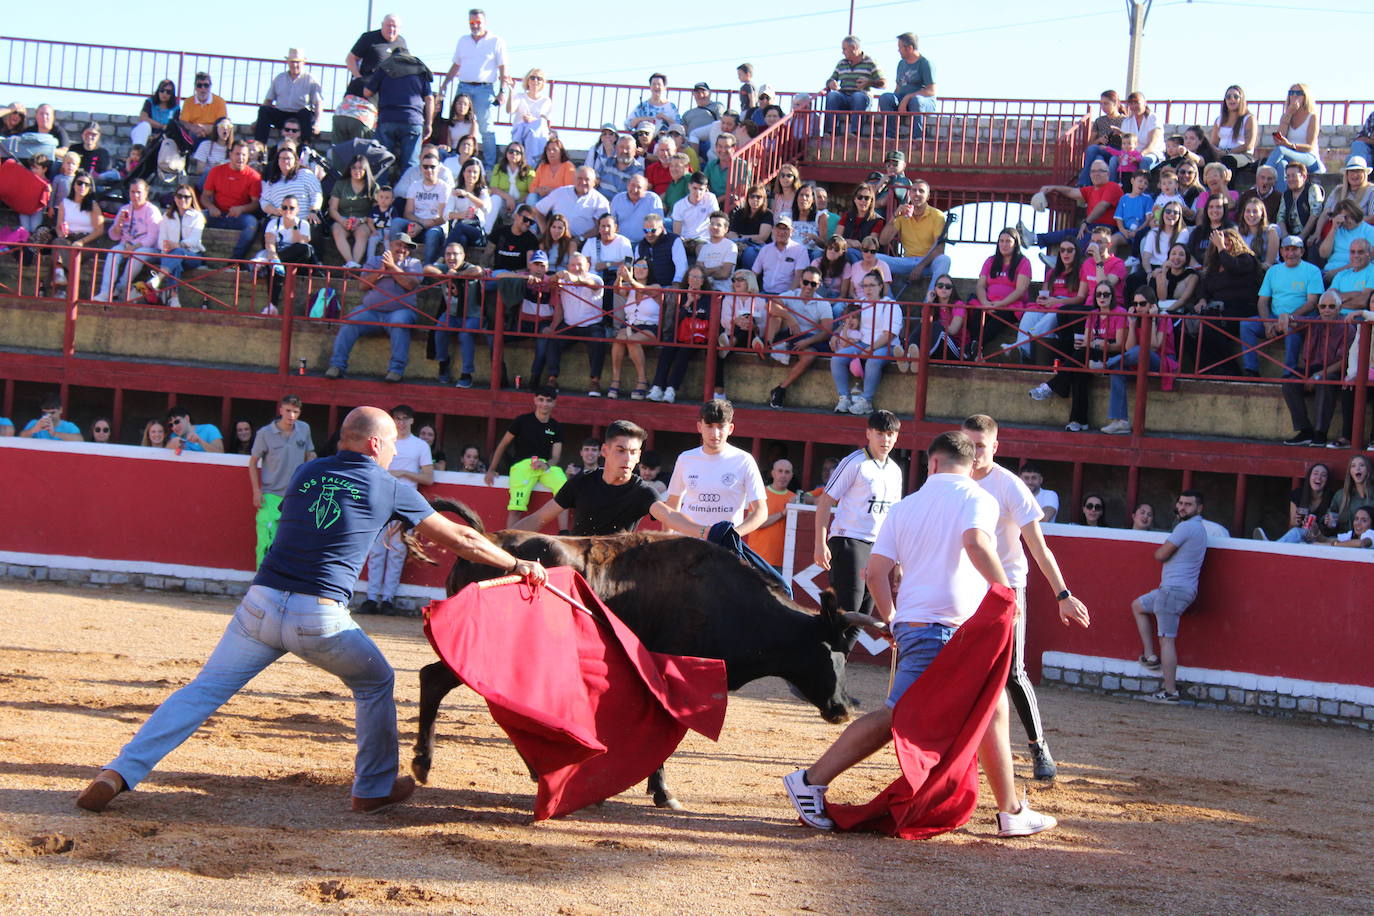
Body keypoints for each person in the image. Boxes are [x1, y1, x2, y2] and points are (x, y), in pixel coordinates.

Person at [75, 406, 547, 816]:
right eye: (391, 449)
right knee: (376, 680)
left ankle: (120, 770)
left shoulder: (308, 471)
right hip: (320, 618)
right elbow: (462, 537)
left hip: (259, 605)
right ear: (377, 443)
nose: (393, 457)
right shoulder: (389, 485)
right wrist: (516, 562)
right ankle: (373, 789)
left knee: (202, 691)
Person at [784, 430, 1056, 837]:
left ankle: (1011, 810)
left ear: (932, 463)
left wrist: (893, 619)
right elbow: (977, 544)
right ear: (971, 466)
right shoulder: (977, 498)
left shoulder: (905, 507)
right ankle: (810, 781)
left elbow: (875, 572)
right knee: (897, 714)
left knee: (992, 706)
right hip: (945, 628)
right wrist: (1006, 596)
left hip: (919, 623)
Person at [962, 415, 1091, 781]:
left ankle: (1038, 747)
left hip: (1006, 585)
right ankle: (965, 747)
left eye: (981, 447)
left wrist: (1062, 594)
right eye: (968, 445)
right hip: (963, 584)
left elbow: (1038, 546)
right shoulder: (951, 481)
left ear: (995, 447)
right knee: (965, 667)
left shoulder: (1010, 486)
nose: (973, 454)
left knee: (1013, 671)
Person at [514, 420, 709, 538]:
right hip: (578, 568)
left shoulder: (642, 492)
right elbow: (540, 517)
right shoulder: (582, 481)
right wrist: (499, 541)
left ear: (639, 456)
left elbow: (669, 516)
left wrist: (705, 531)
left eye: (633, 452)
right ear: (605, 451)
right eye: (621, 450)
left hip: (615, 573)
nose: (627, 458)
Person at [812, 409, 903, 617]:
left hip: (878, 545)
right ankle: (827, 650)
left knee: (864, 612)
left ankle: (838, 651)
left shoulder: (895, 471)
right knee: (848, 610)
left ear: (897, 436)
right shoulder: (854, 462)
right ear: (868, 433)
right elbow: (826, 501)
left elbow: (893, 517)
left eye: (890, 434)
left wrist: (898, 560)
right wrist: (820, 543)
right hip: (849, 539)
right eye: (880, 433)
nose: (885, 439)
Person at [353, 404, 433, 616]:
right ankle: (372, 597)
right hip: (380, 500)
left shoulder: (420, 446)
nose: (401, 422)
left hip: (405, 505)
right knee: (377, 551)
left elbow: (428, 477)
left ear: (412, 421)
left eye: (405, 418)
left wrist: (404, 473)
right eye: (397, 418)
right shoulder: (386, 441)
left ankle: (387, 598)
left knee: (396, 553)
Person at [1132, 490, 1209, 704]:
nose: (1183, 507)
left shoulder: (1186, 527)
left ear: (1199, 508)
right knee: (1138, 605)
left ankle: (1170, 691)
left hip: (1173, 590)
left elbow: (1161, 554)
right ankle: (1150, 656)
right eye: (1181, 503)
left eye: (1188, 504)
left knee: (1167, 639)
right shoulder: (1199, 529)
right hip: (1176, 589)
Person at [325, 233, 424, 383]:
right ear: (389, 246)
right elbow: (363, 285)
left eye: (406, 247)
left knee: (399, 322)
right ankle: (337, 366)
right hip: (371, 311)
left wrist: (392, 267)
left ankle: (395, 370)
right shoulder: (374, 261)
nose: (403, 249)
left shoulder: (413, 263)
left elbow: (410, 284)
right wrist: (381, 270)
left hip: (401, 311)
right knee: (351, 321)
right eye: (399, 245)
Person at [666, 399, 768, 536]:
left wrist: (733, 535)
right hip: (687, 544)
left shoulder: (744, 460)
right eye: (709, 426)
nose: (715, 433)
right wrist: (664, 540)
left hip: (723, 549)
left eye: (720, 426)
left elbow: (761, 511)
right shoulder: (685, 458)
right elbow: (672, 504)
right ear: (699, 427)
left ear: (730, 429)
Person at [248, 395, 316, 567]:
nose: (291, 415)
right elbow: (253, 462)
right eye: (288, 411)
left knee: (289, 542)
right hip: (271, 495)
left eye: (295, 412)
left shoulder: (304, 429)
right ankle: (261, 582)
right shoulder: (265, 433)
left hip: (295, 495)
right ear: (280, 410)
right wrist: (256, 491)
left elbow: (310, 454)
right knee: (266, 540)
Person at [485, 387, 566, 530]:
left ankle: (564, 532)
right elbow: (503, 444)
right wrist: (491, 469)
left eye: (548, 401)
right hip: (522, 466)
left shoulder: (556, 426)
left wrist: (546, 464)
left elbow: (555, 457)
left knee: (565, 491)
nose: (544, 404)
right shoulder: (522, 421)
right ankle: (508, 542)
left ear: (554, 403)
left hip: (545, 467)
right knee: (516, 508)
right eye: (541, 400)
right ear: (535, 400)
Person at [1102, 287, 1178, 436]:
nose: (1138, 307)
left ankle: (1105, 364)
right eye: (1135, 304)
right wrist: (1131, 323)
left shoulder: (1163, 317)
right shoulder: (1135, 318)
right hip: (1140, 362)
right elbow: (1129, 348)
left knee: (1141, 350)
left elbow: (1154, 345)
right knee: (1117, 371)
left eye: (1142, 304)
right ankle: (1121, 421)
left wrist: (1153, 319)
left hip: (1162, 361)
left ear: (1152, 305)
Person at [438, 9, 508, 168]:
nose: (475, 25)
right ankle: (454, 157)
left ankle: (490, 165)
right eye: (472, 23)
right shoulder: (463, 40)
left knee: (486, 127)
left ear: (485, 23)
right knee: (456, 122)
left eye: (478, 22)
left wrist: (502, 91)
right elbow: (457, 64)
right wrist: (445, 83)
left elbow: (503, 67)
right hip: (464, 86)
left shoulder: (496, 41)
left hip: (485, 88)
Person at [830, 271, 902, 415]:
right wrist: (837, 334)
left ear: (881, 286)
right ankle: (844, 398)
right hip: (862, 343)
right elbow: (848, 321)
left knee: (873, 361)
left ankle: (866, 402)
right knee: (837, 358)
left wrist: (870, 348)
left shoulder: (890, 305)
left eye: (872, 285)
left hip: (887, 345)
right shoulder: (859, 302)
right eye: (865, 285)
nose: (868, 289)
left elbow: (890, 334)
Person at [764, 265, 834, 409]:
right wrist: (789, 317)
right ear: (801, 281)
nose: (808, 286)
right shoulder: (791, 294)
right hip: (789, 334)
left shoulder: (823, 303)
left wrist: (807, 341)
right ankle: (767, 347)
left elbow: (827, 331)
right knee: (776, 316)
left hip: (808, 340)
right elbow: (770, 306)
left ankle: (780, 389)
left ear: (818, 285)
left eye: (813, 284)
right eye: (806, 282)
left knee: (810, 356)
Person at [646, 263, 713, 404]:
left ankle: (671, 389)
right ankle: (657, 387)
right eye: (692, 276)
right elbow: (675, 320)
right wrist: (688, 302)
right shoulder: (680, 296)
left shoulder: (709, 298)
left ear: (703, 281)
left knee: (684, 352)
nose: (694, 280)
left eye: (698, 277)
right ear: (687, 279)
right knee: (667, 349)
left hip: (697, 337)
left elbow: (709, 320)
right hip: (680, 334)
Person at [1024, 160, 1123, 254]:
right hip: (1092, 226)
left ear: (1108, 174)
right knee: (1067, 233)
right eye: (1093, 171)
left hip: (1105, 228)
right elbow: (1072, 192)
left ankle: (1062, 263)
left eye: (1100, 171)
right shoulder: (1090, 189)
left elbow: (1102, 205)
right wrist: (1053, 188)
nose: (1096, 174)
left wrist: (1086, 222)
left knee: (1082, 242)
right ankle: (1034, 238)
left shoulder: (1113, 187)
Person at [876, 179, 951, 299]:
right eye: (914, 190)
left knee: (944, 260)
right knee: (876, 259)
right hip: (908, 261)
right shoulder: (902, 214)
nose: (917, 194)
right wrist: (894, 216)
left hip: (928, 263)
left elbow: (939, 249)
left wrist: (920, 266)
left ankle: (929, 303)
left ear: (927, 196)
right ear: (909, 194)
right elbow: (883, 241)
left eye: (921, 191)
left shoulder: (937, 216)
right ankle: (889, 303)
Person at [425, 241, 486, 388]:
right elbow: (427, 269)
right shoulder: (445, 268)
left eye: (455, 254)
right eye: (448, 254)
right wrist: (445, 276)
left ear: (463, 256)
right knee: (439, 328)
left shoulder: (468, 268)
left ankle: (466, 374)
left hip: (473, 315)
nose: (451, 257)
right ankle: (443, 362)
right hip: (451, 314)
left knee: (465, 334)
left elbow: (478, 271)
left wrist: (457, 275)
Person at [94, 179, 162, 302]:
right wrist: (118, 224)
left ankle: (120, 288)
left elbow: (152, 238)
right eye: (132, 192)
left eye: (138, 192)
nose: (135, 195)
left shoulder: (152, 211)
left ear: (146, 193)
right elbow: (113, 236)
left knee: (138, 255)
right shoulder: (125, 209)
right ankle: (105, 292)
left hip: (146, 248)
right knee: (114, 252)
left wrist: (134, 247)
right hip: (126, 245)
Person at [201, 140, 262, 262]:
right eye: (237, 154)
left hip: (238, 217)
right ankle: (197, 255)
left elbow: (256, 203)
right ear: (230, 154)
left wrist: (242, 209)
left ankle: (235, 260)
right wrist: (211, 207)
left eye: (244, 155)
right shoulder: (216, 171)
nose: (240, 158)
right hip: (216, 214)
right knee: (196, 217)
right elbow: (204, 196)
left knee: (252, 224)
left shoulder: (254, 176)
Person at [47, 169, 105, 291]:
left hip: (88, 241)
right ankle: (60, 278)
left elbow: (99, 230)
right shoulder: (65, 203)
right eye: (79, 183)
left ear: (90, 187)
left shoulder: (93, 205)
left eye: (86, 184)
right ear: (74, 185)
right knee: (58, 242)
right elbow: (58, 226)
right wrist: (61, 233)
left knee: (69, 254)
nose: (82, 186)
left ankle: (55, 283)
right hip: (69, 238)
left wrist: (82, 242)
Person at [253, 49, 323, 145]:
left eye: (297, 62)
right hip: (281, 114)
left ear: (304, 62)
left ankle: (305, 147)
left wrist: (317, 124)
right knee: (264, 110)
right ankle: (259, 147)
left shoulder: (311, 79)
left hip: (300, 116)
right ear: (287, 62)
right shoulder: (279, 78)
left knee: (306, 114)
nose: (294, 65)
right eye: (292, 62)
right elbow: (268, 100)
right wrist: (257, 121)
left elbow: (318, 103)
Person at [153, 183, 205, 309]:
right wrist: (168, 247)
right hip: (171, 254)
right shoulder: (167, 216)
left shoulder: (198, 216)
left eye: (186, 197)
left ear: (192, 199)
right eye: (179, 196)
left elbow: (195, 240)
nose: (182, 200)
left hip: (193, 255)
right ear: (175, 198)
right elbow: (161, 241)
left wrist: (178, 245)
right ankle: (174, 299)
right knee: (175, 261)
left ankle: (159, 277)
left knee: (178, 252)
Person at [822, 36, 885, 136]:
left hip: (861, 97)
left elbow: (883, 83)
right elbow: (831, 79)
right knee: (832, 96)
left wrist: (869, 82)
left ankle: (855, 133)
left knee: (858, 97)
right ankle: (830, 132)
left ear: (853, 47)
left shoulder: (870, 62)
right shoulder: (841, 63)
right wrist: (831, 83)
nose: (843, 52)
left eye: (844, 49)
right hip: (843, 96)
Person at [1265, 84, 1322, 191]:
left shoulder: (1312, 117)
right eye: (1291, 93)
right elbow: (1279, 141)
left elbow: (1310, 146)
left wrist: (1289, 145)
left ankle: (1262, 176)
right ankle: (1283, 202)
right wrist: (1288, 114)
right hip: (1289, 157)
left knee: (1281, 150)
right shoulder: (1286, 115)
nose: (1295, 96)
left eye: (1299, 93)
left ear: (1306, 97)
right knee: (1282, 165)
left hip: (1309, 158)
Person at [746, 459, 798, 573]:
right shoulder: (759, 494)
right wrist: (783, 513)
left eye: (787, 472)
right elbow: (755, 523)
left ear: (791, 475)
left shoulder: (794, 498)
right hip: (757, 558)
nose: (783, 475)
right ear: (773, 473)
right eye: (780, 471)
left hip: (783, 561)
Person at [534, 166, 610, 241]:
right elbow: (538, 211)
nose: (583, 182)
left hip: (583, 243)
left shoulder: (601, 201)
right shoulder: (560, 192)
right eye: (579, 178)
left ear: (594, 182)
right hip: (557, 240)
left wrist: (580, 239)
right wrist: (545, 233)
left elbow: (599, 227)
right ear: (574, 179)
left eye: (587, 179)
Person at [347, 14, 408, 79]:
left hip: (390, 85)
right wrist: (359, 78)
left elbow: (406, 64)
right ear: (382, 25)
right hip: (369, 83)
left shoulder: (402, 42)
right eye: (388, 25)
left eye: (394, 26)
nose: (391, 29)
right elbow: (351, 59)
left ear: (400, 28)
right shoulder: (368, 38)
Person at [128, 79, 180, 149]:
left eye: (168, 92)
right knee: (145, 125)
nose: (164, 93)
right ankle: (138, 152)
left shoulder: (175, 109)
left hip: (163, 136)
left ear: (172, 94)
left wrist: (159, 134)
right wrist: (161, 126)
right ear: (158, 91)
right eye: (162, 90)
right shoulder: (150, 102)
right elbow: (143, 118)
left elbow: (173, 127)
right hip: (145, 133)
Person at [1329, 455, 1374, 532]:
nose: (1357, 468)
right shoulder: (1341, 495)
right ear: (1350, 471)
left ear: (1368, 470)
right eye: (1353, 466)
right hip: (1345, 540)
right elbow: (1330, 520)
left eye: (1362, 465)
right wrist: (1327, 521)